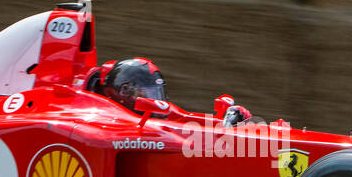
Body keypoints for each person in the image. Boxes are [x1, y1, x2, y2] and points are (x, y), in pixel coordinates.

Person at [89, 57, 257, 125]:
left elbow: (184, 120)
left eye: (157, 94)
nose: (156, 100)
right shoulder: (94, 116)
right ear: (124, 92)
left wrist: (223, 122)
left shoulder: (161, 111)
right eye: (147, 94)